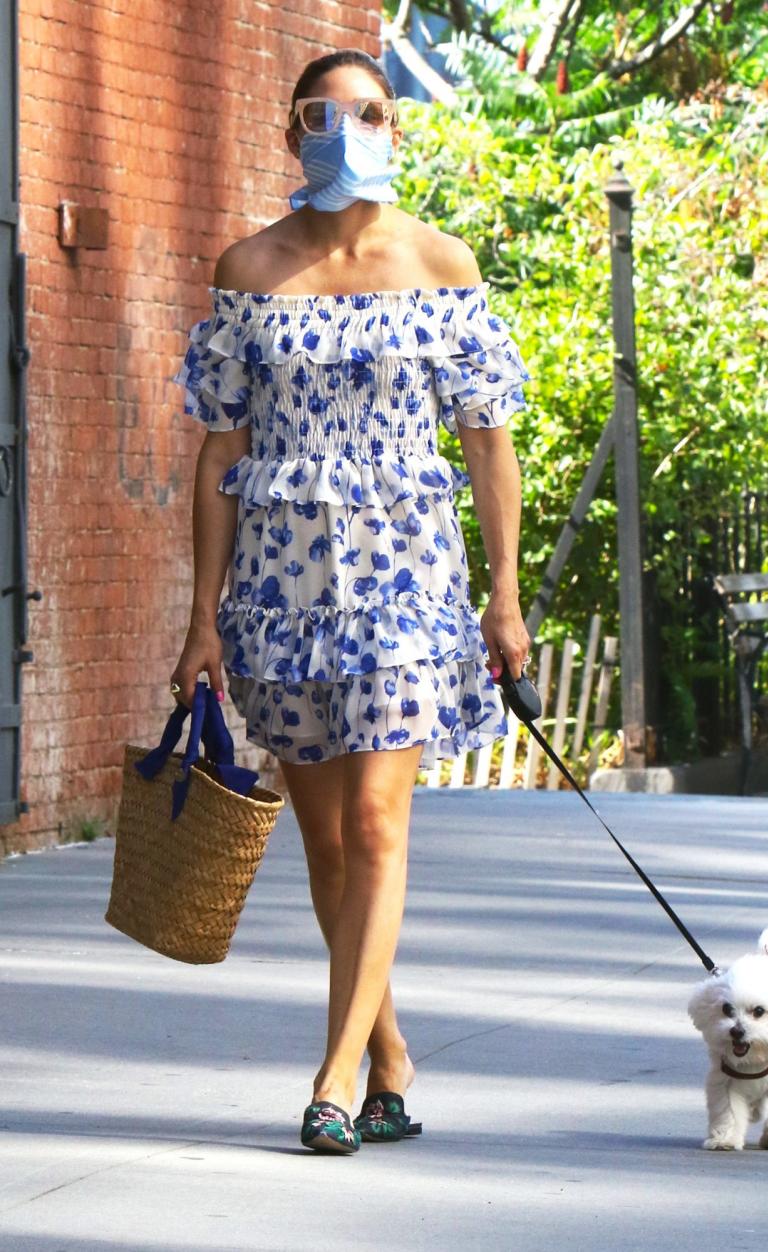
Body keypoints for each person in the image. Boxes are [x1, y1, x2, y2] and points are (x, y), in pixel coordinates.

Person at [169, 48, 530, 1155]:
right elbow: (219, 447)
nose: (346, 131)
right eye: (322, 116)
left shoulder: (439, 261)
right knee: (324, 844)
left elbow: (488, 436)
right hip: (283, 590)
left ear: (396, 129)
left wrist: (504, 596)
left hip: (409, 585)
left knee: (377, 822)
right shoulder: (249, 268)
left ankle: (330, 1079)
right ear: (290, 136)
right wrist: (201, 617)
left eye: (367, 113)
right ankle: (389, 1057)